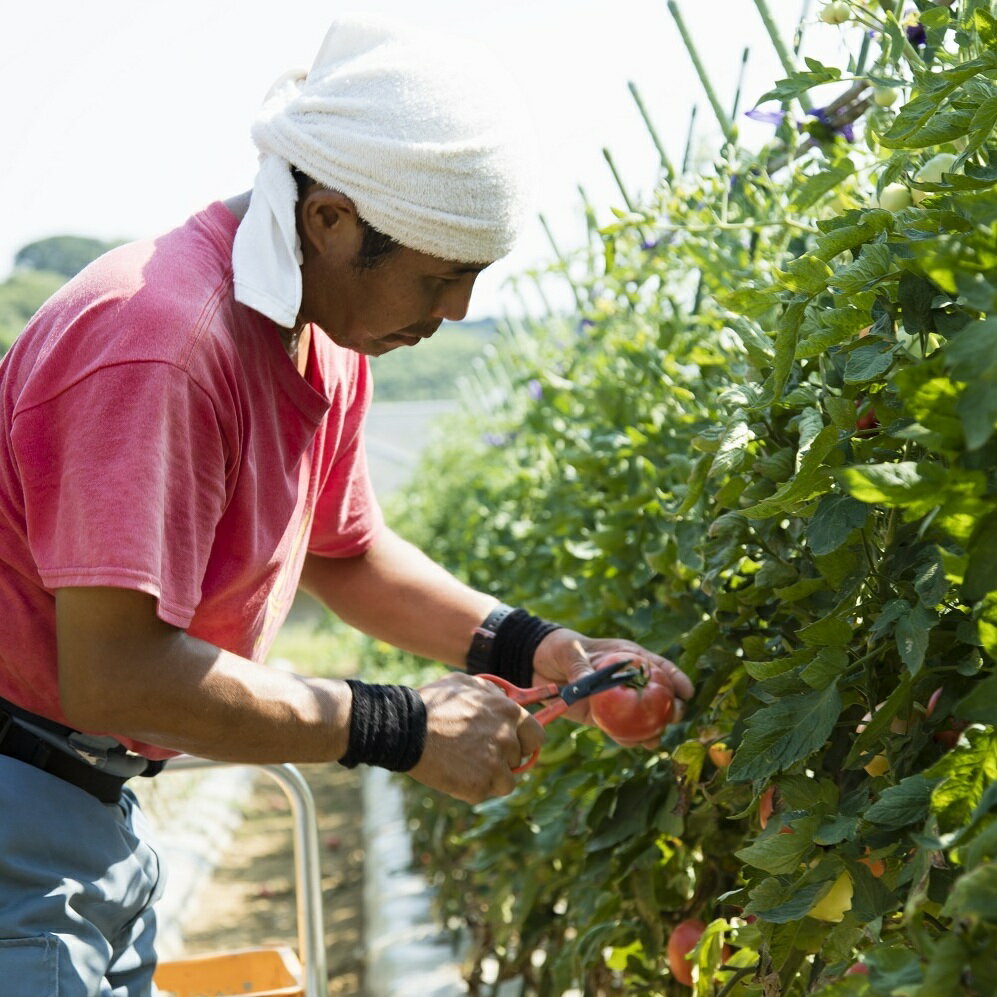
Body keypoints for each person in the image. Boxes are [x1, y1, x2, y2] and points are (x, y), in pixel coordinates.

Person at [0, 13, 694, 996]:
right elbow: (116, 673)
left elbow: (346, 552)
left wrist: (533, 646)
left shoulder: (319, 338)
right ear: (328, 219)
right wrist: (399, 726)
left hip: (84, 811)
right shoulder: (163, 347)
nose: (455, 312)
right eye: (439, 276)